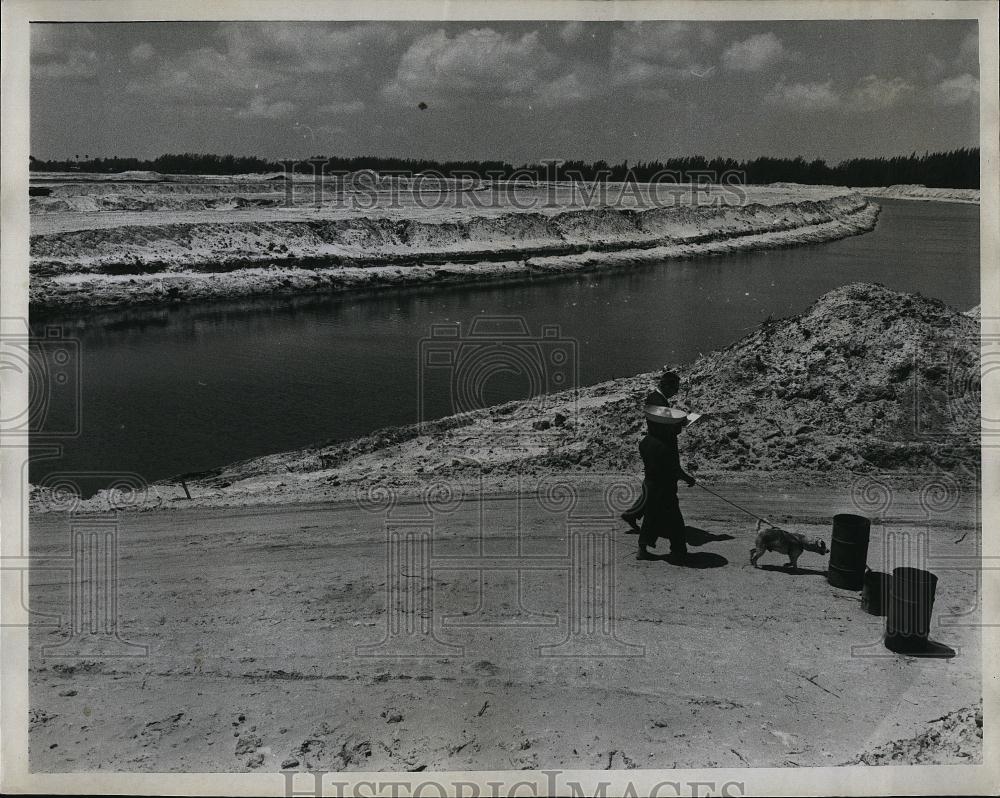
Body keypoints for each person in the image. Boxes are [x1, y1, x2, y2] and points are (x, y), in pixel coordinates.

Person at [621, 369, 681, 532]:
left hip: (653, 447)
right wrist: (680, 425)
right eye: (675, 388)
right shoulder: (657, 400)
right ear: (667, 385)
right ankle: (649, 523)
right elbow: (664, 428)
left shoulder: (657, 399)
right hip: (658, 448)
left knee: (655, 485)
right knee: (658, 486)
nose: (676, 392)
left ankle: (634, 514)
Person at [636, 404, 696, 561]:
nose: (679, 429)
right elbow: (675, 469)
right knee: (675, 521)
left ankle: (642, 549)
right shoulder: (667, 445)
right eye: (676, 426)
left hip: (649, 484)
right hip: (665, 488)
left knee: (650, 517)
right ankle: (678, 551)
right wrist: (689, 479)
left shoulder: (646, 442)